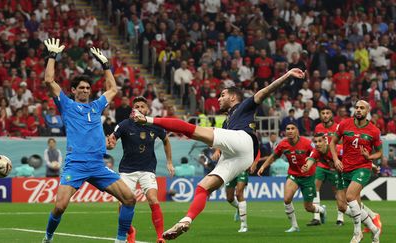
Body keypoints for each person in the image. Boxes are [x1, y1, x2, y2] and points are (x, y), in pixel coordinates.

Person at [130, 68, 306, 240]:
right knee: (203, 187)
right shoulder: (227, 121)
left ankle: (149, 120)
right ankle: (186, 220)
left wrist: (287, 75)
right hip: (241, 157)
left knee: (190, 129)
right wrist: (218, 150)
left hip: (243, 141)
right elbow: (227, 140)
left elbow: (265, 91)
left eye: (222, 95)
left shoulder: (244, 105)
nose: (219, 99)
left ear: (233, 97)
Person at [41, 38, 136, 243]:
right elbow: (49, 81)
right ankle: (48, 237)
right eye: (81, 88)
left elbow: (112, 89)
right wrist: (52, 56)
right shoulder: (66, 105)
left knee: (130, 199)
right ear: (73, 90)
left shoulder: (96, 105)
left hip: (97, 165)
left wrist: (106, 65)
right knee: (59, 207)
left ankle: (120, 240)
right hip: (75, 164)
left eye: (87, 88)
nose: (85, 90)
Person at [107, 96, 175, 243]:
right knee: (122, 204)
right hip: (127, 170)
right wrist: (109, 145)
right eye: (136, 106)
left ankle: (160, 237)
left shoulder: (154, 124)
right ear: (133, 109)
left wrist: (169, 162)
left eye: (142, 106)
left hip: (147, 169)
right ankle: (130, 231)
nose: (139, 109)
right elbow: (111, 140)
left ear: (147, 109)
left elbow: (166, 140)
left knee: (153, 199)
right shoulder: (125, 124)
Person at [254, 123, 326, 233]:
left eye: (293, 128)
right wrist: (263, 166)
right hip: (293, 175)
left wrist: (310, 163)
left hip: (308, 177)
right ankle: (294, 226)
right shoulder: (283, 144)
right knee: (287, 199)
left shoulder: (307, 143)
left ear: (297, 130)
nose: (290, 131)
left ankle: (321, 210)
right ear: (285, 131)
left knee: (308, 207)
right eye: (288, 129)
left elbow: (316, 154)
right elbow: (273, 156)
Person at [329, 100, 381, 243]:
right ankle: (375, 229)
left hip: (362, 168)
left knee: (350, 197)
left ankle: (357, 233)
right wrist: (336, 160)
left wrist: (369, 157)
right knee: (344, 205)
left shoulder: (374, 131)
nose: (358, 110)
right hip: (345, 168)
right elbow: (332, 142)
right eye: (357, 107)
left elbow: (380, 153)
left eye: (362, 108)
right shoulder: (344, 124)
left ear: (367, 111)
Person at [308, 106, 344, 226]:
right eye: (322, 113)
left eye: (327, 113)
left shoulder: (338, 127)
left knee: (337, 191)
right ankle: (317, 216)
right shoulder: (318, 127)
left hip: (334, 163)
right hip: (322, 163)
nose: (325, 115)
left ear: (331, 115)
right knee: (315, 188)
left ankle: (340, 218)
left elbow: (341, 144)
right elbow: (318, 145)